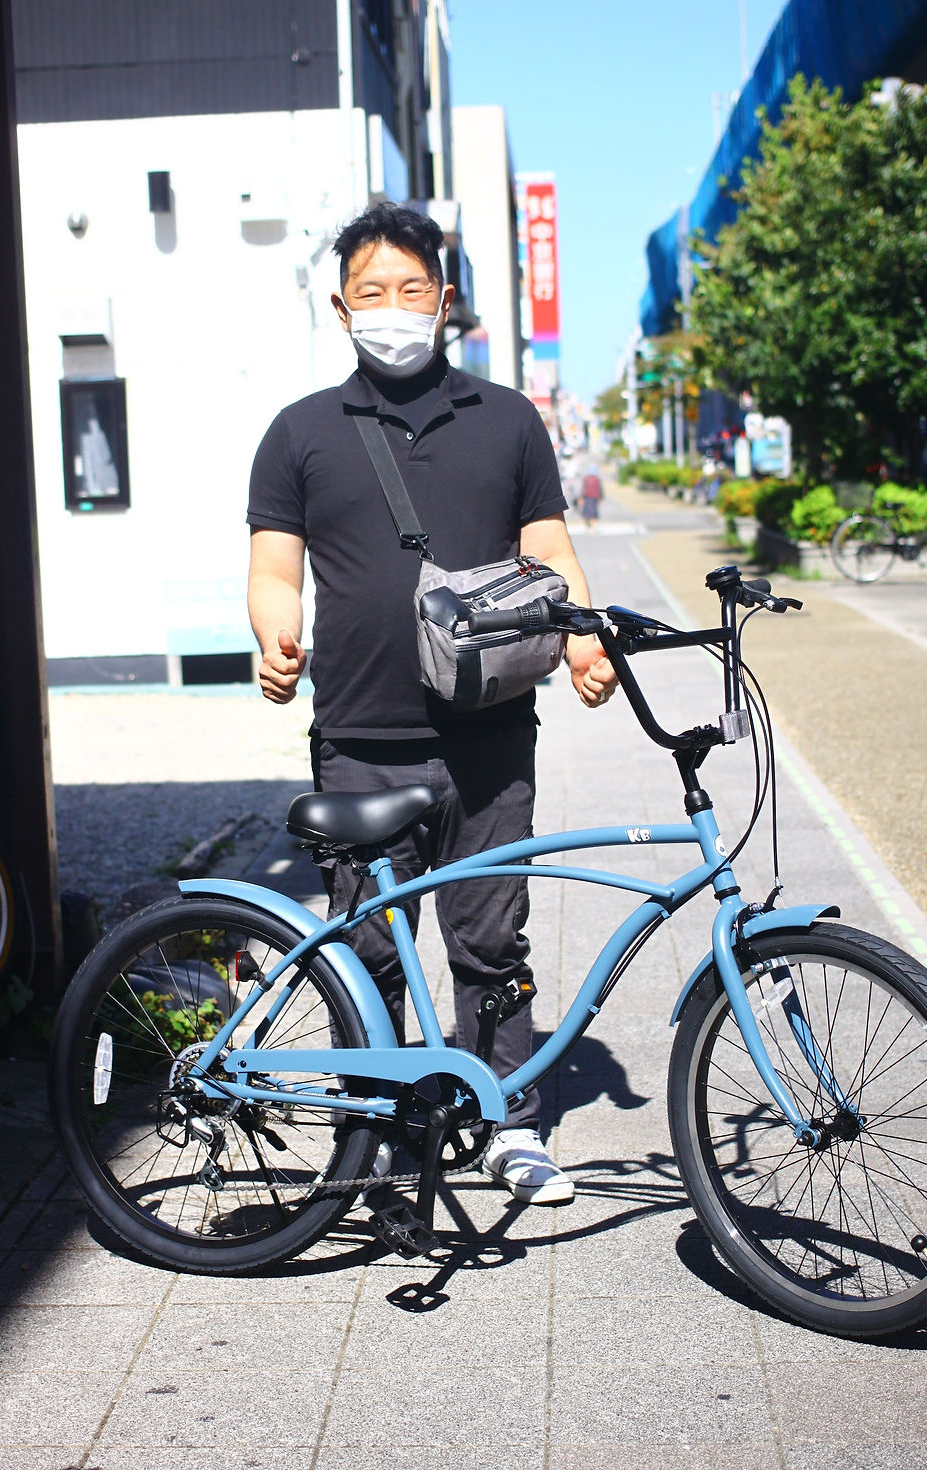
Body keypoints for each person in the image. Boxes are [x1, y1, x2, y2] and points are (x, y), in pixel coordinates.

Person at [247, 202, 617, 1206]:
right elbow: (275, 566)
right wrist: (275, 637)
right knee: (368, 946)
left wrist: (583, 636)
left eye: (412, 289)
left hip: (488, 734)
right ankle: (372, 1125)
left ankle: (510, 1122)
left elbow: (546, 546)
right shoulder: (299, 432)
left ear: (445, 301)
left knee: (490, 939)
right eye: (371, 292)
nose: (393, 308)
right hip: (359, 736)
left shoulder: (507, 419)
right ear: (340, 309)